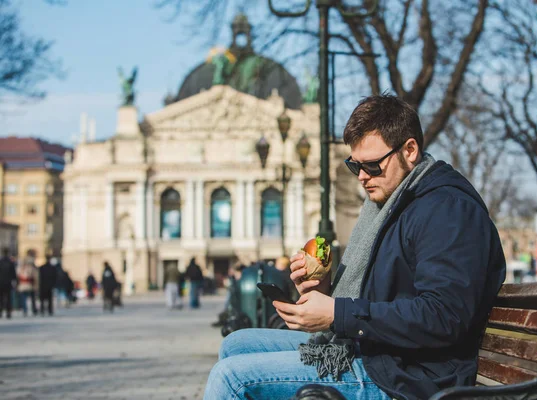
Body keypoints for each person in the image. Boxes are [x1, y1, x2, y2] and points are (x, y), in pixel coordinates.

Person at [204, 95, 507, 400]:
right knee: (237, 344)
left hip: (411, 377)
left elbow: (444, 316)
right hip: (380, 354)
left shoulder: (448, 210)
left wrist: (338, 314)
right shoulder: (389, 207)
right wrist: (322, 290)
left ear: (410, 150)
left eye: (373, 166)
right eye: (355, 165)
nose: (362, 177)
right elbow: (381, 295)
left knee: (232, 378)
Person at [0, 248, 17, 319]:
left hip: (0, 282)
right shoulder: (11, 262)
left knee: (0, 298)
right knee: (9, 298)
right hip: (8, 282)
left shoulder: (0, 262)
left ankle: (0, 312)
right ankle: (8, 312)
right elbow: (14, 274)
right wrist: (15, 282)